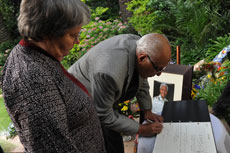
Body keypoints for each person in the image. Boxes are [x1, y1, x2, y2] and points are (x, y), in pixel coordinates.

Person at [1, 0, 106, 152]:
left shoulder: (39, 57)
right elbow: (52, 147)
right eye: (73, 35)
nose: (77, 41)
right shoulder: (31, 78)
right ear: (47, 32)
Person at [68, 33, 171, 153]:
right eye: (158, 69)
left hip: (101, 100)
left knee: (114, 142)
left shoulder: (140, 45)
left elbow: (142, 78)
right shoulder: (109, 72)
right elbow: (103, 114)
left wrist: (147, 111)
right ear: (142, 58)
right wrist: (141, 129)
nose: (159, 74)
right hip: (79, 103)